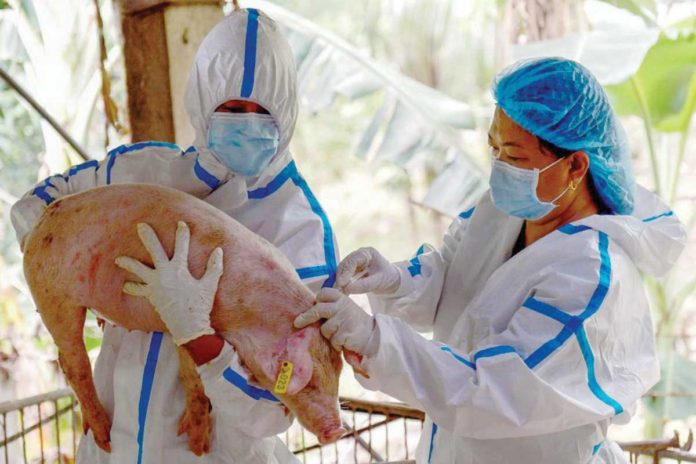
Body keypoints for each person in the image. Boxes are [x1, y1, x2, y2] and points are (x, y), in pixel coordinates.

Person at [293, 57, 688, 464]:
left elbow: (491, 390)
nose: (499, 168)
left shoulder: (591, 277)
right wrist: (396, 280)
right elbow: (454, 277)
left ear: (574, 165)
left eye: (514, 158)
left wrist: (377, 342)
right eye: (494, 149)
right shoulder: (507, 211)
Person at [11, 6, 337, 464]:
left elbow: (274, 407)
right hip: (111, 445)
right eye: (229, 109)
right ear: (203, 103)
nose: (244, 121)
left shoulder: (300, 227)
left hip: (209, 455)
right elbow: (34, 209)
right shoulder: (145, 168)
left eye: (259, 111)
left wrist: (201, 338)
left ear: (284, 111)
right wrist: (87, 272)